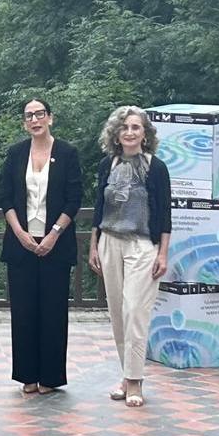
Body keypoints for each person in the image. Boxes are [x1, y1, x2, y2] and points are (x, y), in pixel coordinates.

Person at [88, 105, 172, 407]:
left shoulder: (156, 167)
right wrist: (93, 244)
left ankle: (136, 381)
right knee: (118, 315)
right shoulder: (106, 165)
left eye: (136, 127)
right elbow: (100, 208)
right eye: (124, 127)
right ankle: (126, 375)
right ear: (116, 133)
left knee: (136, 311)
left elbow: (164, 213)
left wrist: (163, 252)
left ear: (145, 133)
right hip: (110, 241)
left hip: (142, 245)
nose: (130, 132)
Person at [0, 99, 82, 394]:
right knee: (23, 313)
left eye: (39, 114)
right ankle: (27, 376)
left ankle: (50, 377)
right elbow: (6, 197)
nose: (35, 120)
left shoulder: (68, 153)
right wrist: (20, 232)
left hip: (55, 245)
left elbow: (74, 199)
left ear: (50, 118)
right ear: (24, 122)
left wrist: (54, 233)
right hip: (21, 243)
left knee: (53, 312)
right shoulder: (16, 153)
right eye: (28, 116)